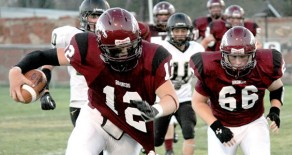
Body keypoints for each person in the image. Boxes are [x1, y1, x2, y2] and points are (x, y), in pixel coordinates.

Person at [9, 7, 179, 155]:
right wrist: (16, 70)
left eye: (128, 48)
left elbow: (171, 99)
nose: (123, 55)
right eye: (115, 51)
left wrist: (155, 110)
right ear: (99, 44)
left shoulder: (154, 56)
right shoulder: (86, 47)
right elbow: (44, 56)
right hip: (95, 118)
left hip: (129, 131)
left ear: (138, 41)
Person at [189, 26, 285, 155]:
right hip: (221, 123)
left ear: (253, 54)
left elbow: (277, 88)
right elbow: (198, 102)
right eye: (233, 57)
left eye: (244, 57)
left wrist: (275, 109)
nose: (238, 62)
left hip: (253, 123)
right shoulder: (211, 67)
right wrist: (216, 127)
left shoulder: (262, 65)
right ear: (223, 54)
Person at [40, 0, 110, 128]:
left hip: (109, 103)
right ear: (84, 17)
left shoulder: (113, 39)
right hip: (81, 102)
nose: (97, 21)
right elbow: (48, 64)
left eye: (101, 16)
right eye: (93, 16)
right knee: (91, 147)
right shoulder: (70, 36)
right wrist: (44, 91)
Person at [154, 12, 204, 155]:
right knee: (156, 139)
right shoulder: (161, 48)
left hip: (185, 99)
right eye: (177, 31)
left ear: (189, 31)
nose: (180, 34)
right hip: (164, 99)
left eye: (183, 30)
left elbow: (204, 75)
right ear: (170, 31)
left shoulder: (197, 49)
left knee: (189, 133)